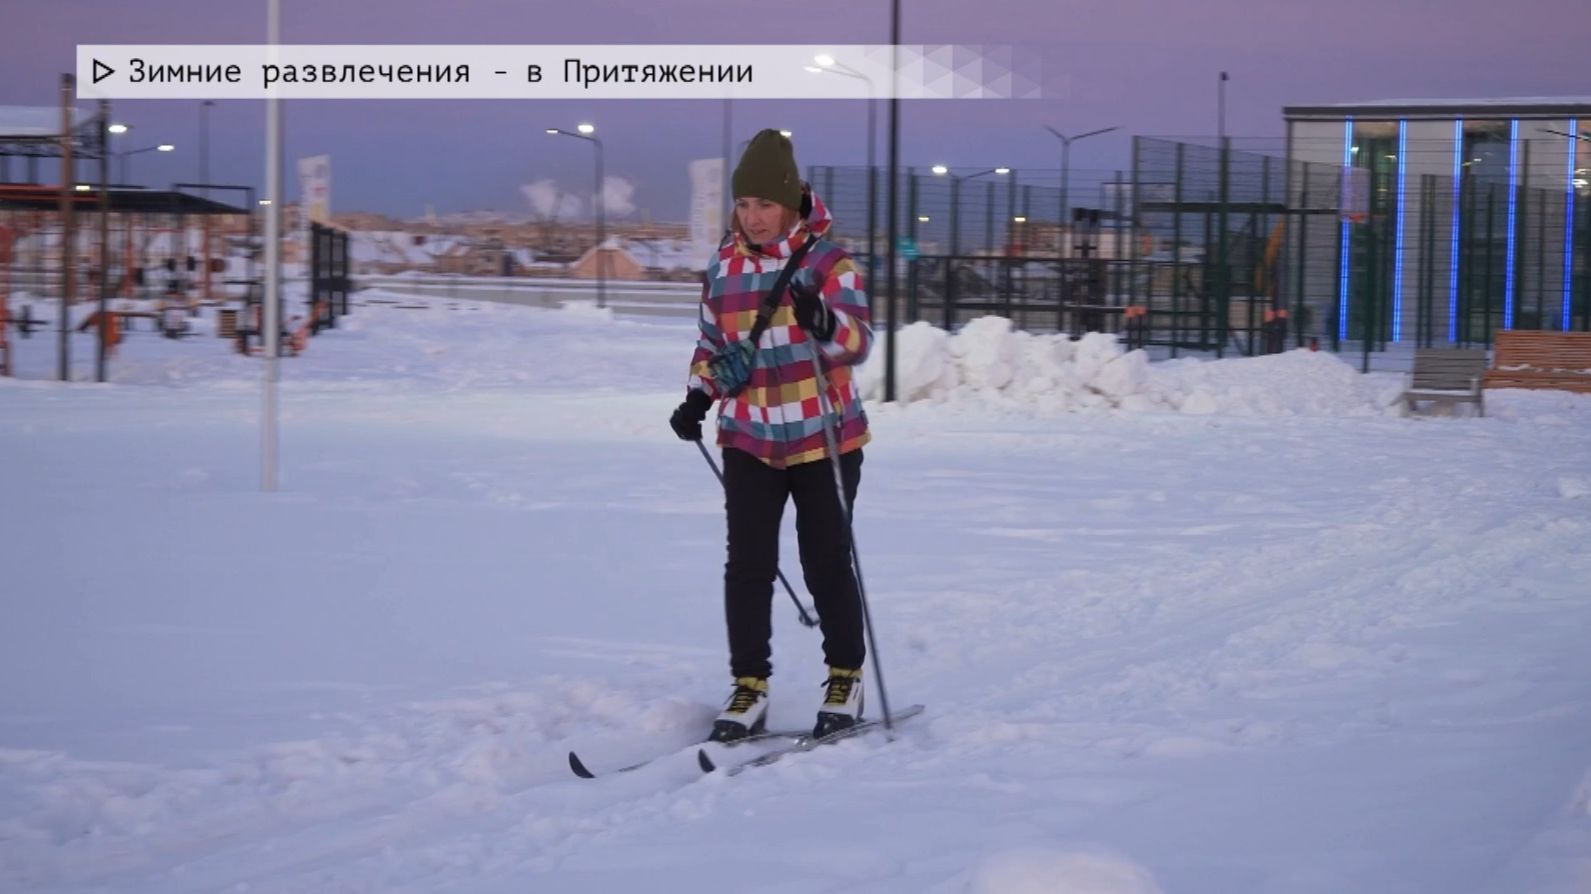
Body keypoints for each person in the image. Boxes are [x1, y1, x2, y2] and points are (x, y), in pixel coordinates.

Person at [669, 129, 875, 743]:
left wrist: (824, 320)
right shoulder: (723, 268)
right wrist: (698, 396)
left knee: (825, 562)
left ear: (790, 203)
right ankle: (749, 687)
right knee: (749, 565)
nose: (753, 217)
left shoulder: (828, 264)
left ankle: (846, 677)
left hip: (824, 438)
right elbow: (712, 346)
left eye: (764, 204)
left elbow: (858, 342)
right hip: (750, 437)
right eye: (743, 204)